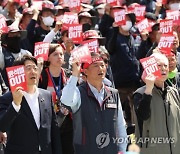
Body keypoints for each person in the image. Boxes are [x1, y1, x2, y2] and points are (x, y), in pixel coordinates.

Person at [60, 53, 127, 154]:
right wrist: (74, 76)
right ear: (85, 71)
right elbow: (66, 100)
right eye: (95, 66)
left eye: (102, 65)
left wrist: (122, 149)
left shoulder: (113, 93)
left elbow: (120, 125)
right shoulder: (78, 93)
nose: (100, 68)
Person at [0, 55, 62, 154]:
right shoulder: (7, 98)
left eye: (35, 68)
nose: (33, 71)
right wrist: (15, 104)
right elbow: (2, 126)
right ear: (17, 72)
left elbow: (54, 130)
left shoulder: (46, 95)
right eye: (28, 68)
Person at [133, 52, 180, 154]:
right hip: (152, 149)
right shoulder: (140, 93)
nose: (163, 68)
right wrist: (149, 90)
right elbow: (142, 116)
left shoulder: (174, 93)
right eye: (159, 65)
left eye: (165, 66)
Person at [38, 44, 74, 154]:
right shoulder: (42, 76)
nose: (59, 57)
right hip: (50, 122)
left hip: (68, 121)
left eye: (61, 54)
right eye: (55, 54)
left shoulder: (68, 74)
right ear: (48, 58)